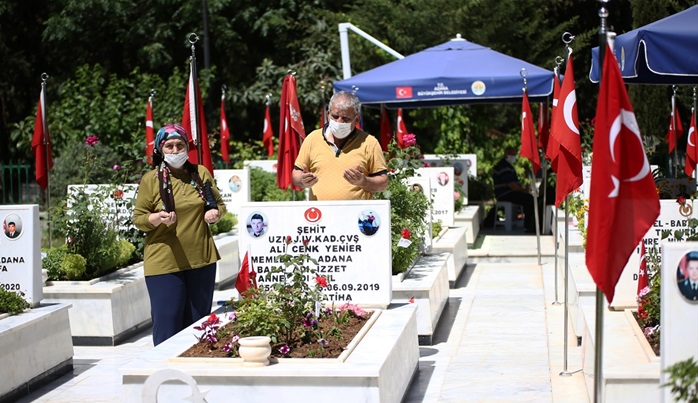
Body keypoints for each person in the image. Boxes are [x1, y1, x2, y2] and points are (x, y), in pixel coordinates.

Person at [133, 124, 227, 346]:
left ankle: (194, 374)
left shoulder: (200, 173)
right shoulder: (151, 179)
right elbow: (139, 218)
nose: (175, 151)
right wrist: (155, 219)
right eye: (169, 146)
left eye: (180, 145)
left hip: (201, 260)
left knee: (198, 327)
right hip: (164, 263)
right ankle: (165, 376)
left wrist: (215, 213)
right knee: (168, 325)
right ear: (160, 149)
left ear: (187, 147)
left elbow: (219, 205)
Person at [292, 91, 388, 200]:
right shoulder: (312, 139)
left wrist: (363, 181)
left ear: (357, 120)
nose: (339, 122)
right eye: (335, 116)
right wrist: (302, 180)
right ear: (328, 114)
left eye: (346, 118)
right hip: (320, 214)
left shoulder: (369, 143)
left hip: (356, 214)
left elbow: (383, 183)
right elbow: (296, 174)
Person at [492, 147, 536, 233]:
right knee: (529, 199)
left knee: (528, 198)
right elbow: (513, 185)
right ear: (506, 155)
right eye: (512, 155)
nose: (514, 157)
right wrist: (523, 191)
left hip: (508, 193)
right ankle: (528, 226)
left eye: (515, 155)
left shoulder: (507, 166)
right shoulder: (503, 166)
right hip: (505, 194)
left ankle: (529, 224)